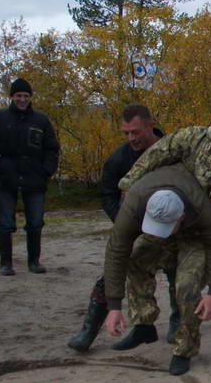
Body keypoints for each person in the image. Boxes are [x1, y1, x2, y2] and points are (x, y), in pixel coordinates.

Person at [68, 104, 180, 352]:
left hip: (172, 227)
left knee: (177, 272)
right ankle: (88, 330)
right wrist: (123, 221)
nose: (131, 138)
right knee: (112, 274)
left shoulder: (174, 151)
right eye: (126, 133)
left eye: (135, 132)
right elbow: (107, 195)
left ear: (150, 126)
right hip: (135, 228)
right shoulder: (118, 159)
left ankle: (178, 322)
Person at [101, 165, 211, 376]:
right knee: (135, 260)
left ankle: (184, 350)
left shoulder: (200, 208)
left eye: (165, 227)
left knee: (187, 285)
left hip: (195, 236)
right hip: (161, 212)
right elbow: (116, 252)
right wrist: (114, 306)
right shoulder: (134, 204)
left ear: (181, 217)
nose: (159, 234)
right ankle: (144, 325)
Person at [118, 94, 211, 241]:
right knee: (141, 247)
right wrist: (129, 183)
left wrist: (177, 221)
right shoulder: (193, 136)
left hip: (208, 234)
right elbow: (159, 152)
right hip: (178, 217)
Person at [0, 78, 60, 275]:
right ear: (12, 97)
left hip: (35, 178)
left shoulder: (41, 120)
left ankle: (34, 261)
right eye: (18, 95)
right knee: (5, 223)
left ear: (30, 97)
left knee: (35, 223)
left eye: (25, 96)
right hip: (7, 177)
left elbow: (51, 148)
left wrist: (47, 170)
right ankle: (6, 263)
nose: (22, 99)